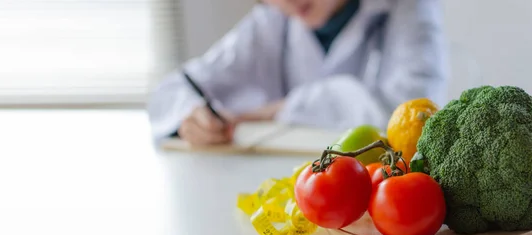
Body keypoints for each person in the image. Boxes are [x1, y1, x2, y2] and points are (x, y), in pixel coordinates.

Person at [147, 0, 448, 145]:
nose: (287, 1)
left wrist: (274, 111)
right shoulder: (271, 19)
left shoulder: (408, 7)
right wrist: (193, 114)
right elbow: (170, 92)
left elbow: (412, 116)